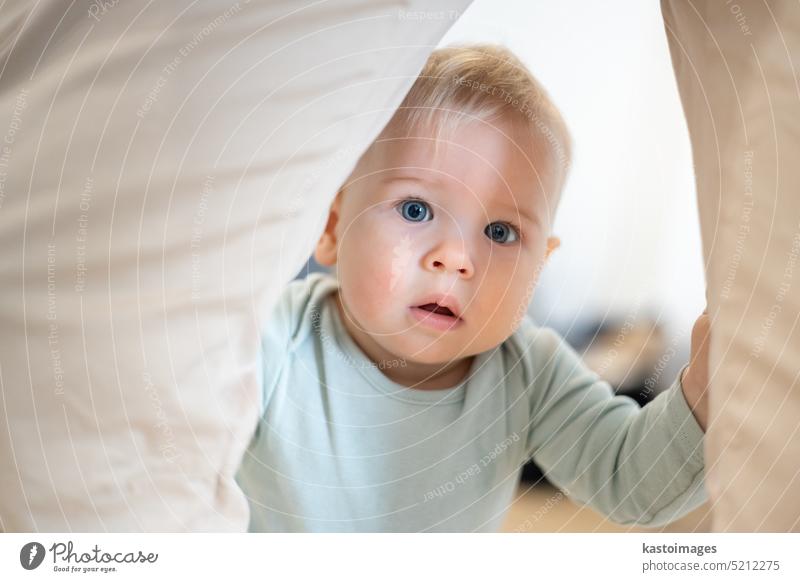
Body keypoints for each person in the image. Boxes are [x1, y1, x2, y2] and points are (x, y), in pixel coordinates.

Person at [235, 45, 710, 532]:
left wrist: (705, 392)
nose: (459, 259)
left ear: (537, 268)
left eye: (500, 232)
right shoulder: (272, 340)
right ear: (333, 225)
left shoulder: (527, 372)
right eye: (415, 209)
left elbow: (632, 483)